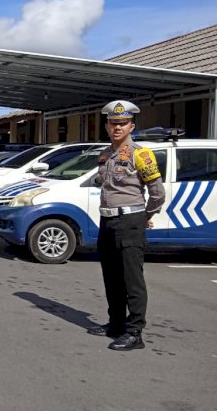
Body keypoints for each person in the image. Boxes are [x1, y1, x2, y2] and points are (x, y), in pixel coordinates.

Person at [87, 100, 166, 351]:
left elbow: (157, 193)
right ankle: (116, 324)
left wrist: (144, 217)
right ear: (107, 126)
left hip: (129, 221)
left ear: (131, 126)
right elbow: (103, 182)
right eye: (112, 123)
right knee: (111, 277)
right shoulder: (105, 154)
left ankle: (135, 332)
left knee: (132, 280)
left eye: (122, 123)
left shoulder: (141, 154)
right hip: (108, 220)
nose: (117, 128)